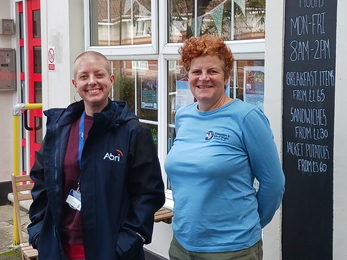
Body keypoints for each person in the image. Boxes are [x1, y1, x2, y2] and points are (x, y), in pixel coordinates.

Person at [27, 51, 165, 260]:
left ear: (111, 80)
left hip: (111, 251)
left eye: (99, 75)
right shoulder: (60, 128)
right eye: (84, 76)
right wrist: (38, 230)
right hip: (59, 249)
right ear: (75, 83)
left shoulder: (133, 132)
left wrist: (127, 242)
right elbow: (41, 179)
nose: (92, 82)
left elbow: (149, 194)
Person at [164, 34, 285, 260]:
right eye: (196, 71)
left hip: (232, 250)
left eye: (212, 71)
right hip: (182, 245)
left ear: (227, 76)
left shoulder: (246, 117)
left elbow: (274, 183)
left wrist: (248, 225)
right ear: (187, 76)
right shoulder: (183, 116)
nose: (204, 78)